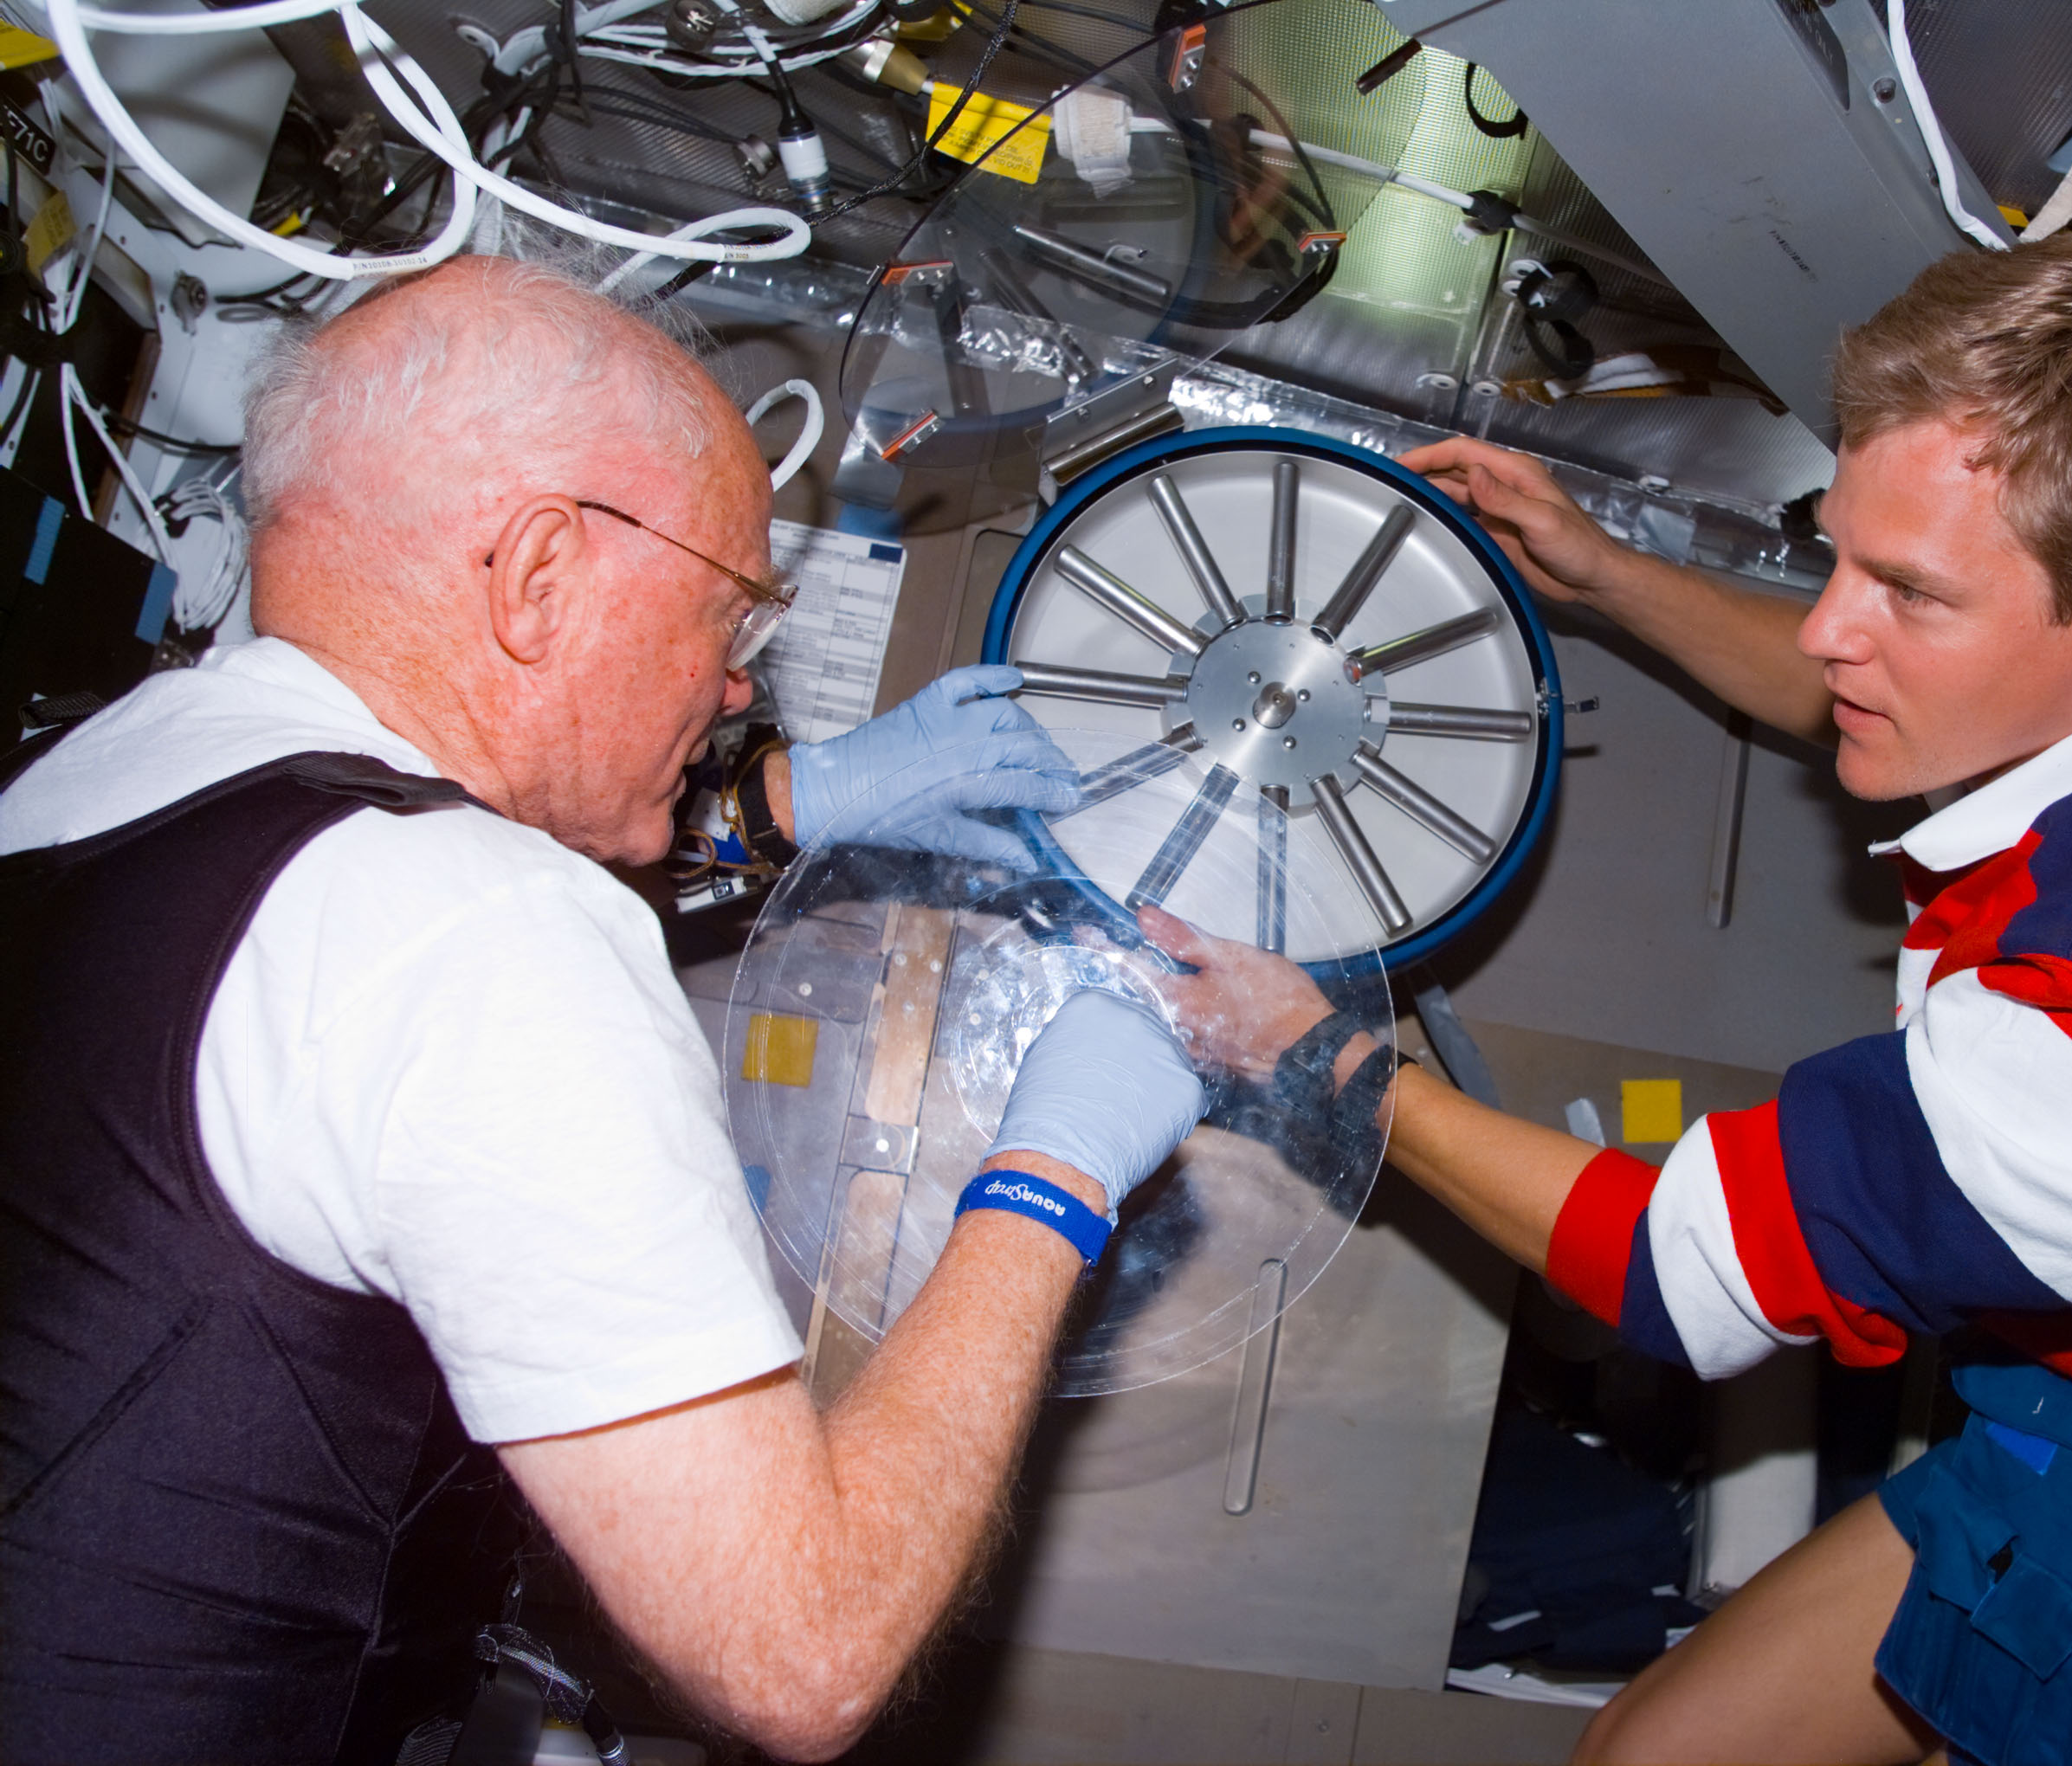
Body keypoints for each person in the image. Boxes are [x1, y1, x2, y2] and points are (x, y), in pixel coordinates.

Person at [1144, 214, 2072, 1766]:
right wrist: (1605, 576)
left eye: (1909, 594)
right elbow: (1914, 690)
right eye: (1835, 550)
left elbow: (1671, 1275)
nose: (1826, 626)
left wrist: (1314, 1057)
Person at [0, 255, 1209, 1764]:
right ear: (539, 573)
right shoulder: (482, 931)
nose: (729, 692)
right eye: (733, 621)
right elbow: (802, 1647)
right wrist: (1058, 1174)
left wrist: (783, 806)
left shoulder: (83, 783)